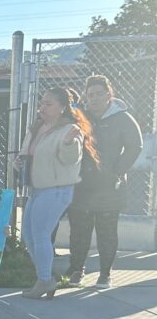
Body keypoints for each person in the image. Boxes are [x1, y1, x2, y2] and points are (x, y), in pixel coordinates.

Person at [16, 87, 96, 299]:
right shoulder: (37, 127)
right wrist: (20, 160)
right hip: (37, 189)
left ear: (62, 107)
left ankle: (45, 281)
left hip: (56, 189)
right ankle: (44, 278)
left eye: (48, 104)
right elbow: (28, 152)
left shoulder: (69, 129)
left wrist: (69, 143)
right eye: (42, 103)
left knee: (40, 235)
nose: (42, 107)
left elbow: (71, 160)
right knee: (29, 237)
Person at [67, 75, 143, 288]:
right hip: (81, 183)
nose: (95, 98)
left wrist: (117, 171)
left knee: (106, 231)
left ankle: (105, 274)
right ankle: (77, 270)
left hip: (110, 186)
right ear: (86, 96)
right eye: (91, 95)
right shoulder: (79, 117)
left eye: (100, 93)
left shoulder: (122, 118)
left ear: (109, 94)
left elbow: (135, 146)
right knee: (79, 230)